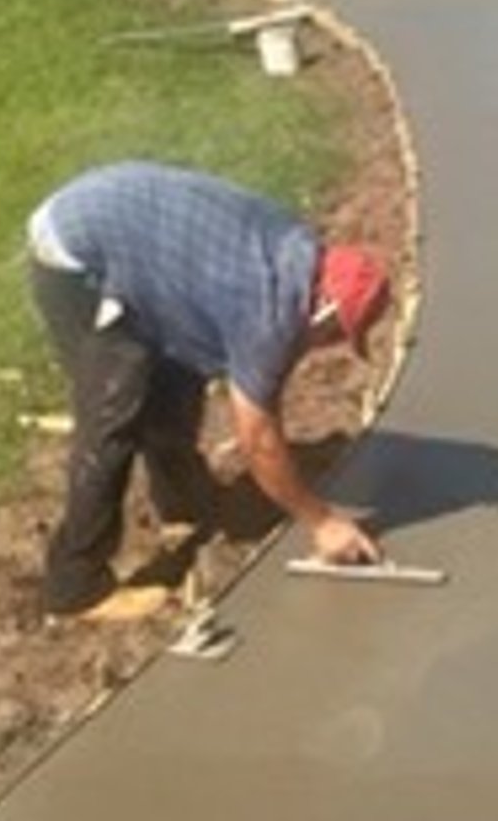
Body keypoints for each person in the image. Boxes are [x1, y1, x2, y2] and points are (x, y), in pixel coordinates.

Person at [28, 160, 393, 624]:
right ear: (323, 309)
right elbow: (256, 436)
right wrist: (321, 521)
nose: (327, 345)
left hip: (132, 226)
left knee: (178, 374)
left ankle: (184, 505)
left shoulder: (296, 250)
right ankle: (75, 588)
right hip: (77, 254)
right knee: (113, 416)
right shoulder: (269, 312)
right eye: (336, 333)